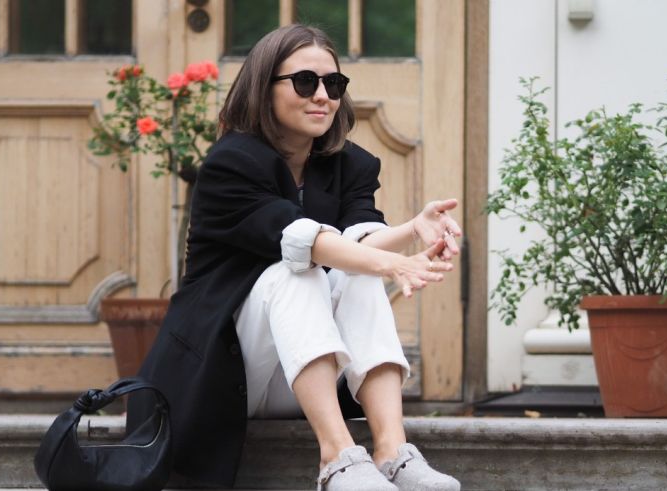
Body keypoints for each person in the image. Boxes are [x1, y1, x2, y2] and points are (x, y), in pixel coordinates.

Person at [134, 24, 463, 491]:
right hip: (224, 376)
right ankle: (339, 459)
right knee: (295, 272)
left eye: (333, 84)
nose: (322, 96)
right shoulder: (232, 163)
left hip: (308, 376)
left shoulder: (352, 164)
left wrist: (412, 230)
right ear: (263, 88)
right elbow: (299, 239)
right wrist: (394, 264)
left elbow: (355, 243)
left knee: (359, 276)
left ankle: (392, 453)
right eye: (305, 82)